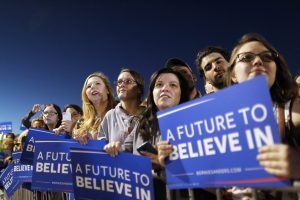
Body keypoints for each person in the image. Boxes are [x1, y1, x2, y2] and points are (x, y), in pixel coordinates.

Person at [226, 33, 300, 199]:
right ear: (233, 75)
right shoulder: (220, 119)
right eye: (246, 57)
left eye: (267, 57)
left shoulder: (291, 108)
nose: (258, 61)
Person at [100, 68, 145, 154]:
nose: (121, 85)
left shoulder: (149, 115)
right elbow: (101, 146)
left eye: (128, 81)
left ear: (139, 89)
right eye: (119, 82)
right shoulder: (110, 115)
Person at [74, 72, 116, 143]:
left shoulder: (120, 113)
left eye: (98, 83)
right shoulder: (82, 122)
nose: (93, 87)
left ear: (107, 90)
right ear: (86, 94)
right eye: (89, 86)